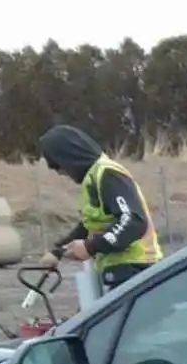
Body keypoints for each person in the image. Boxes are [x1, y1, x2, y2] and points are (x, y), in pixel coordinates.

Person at [37, 125, 162, 292]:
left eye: (60, 167)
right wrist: (58, 251)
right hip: (120, 271)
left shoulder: (107, 173)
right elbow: (91, 225)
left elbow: (133, 220)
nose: (62, 173)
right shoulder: (94, 177)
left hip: (136, 270)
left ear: (70, 158)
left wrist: (91, 247)